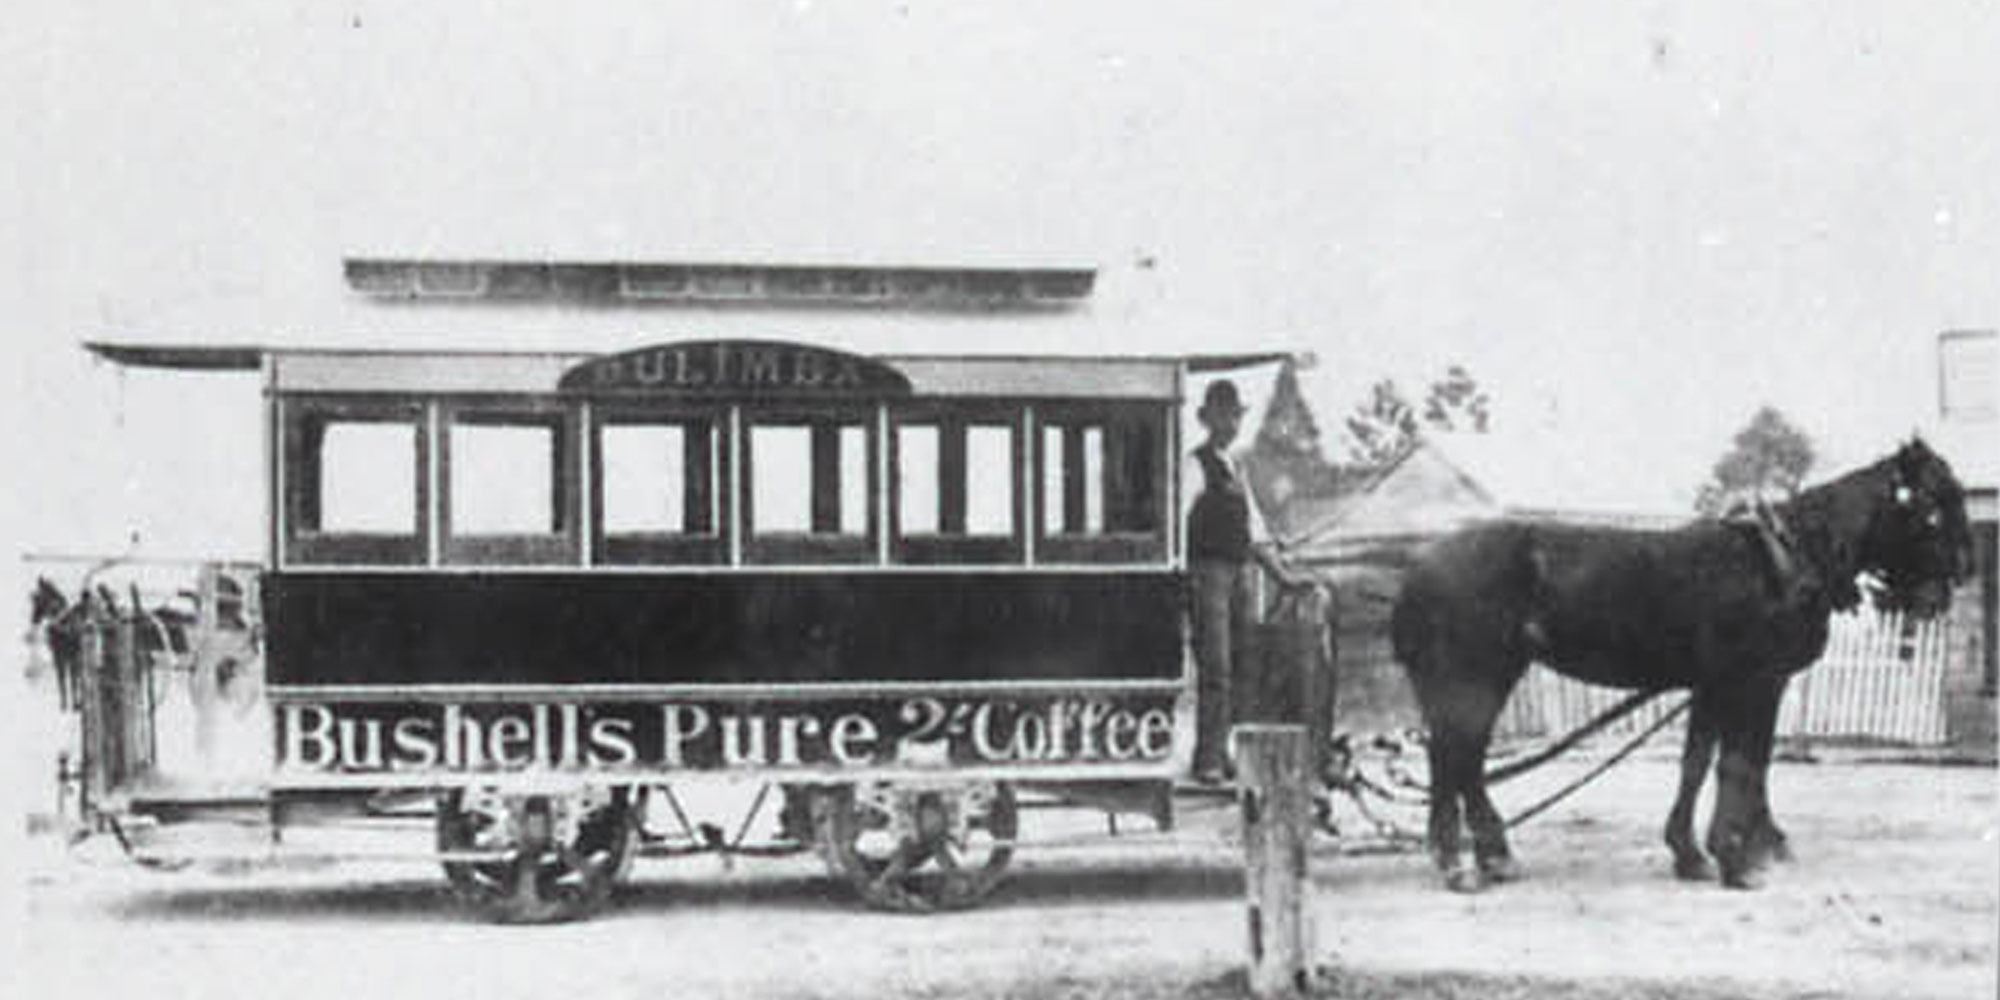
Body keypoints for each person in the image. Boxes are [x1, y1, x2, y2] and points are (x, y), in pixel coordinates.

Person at [1186, 379, 1308, 784]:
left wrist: (1284, 576)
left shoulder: (1236, 468)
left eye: (1237, 414)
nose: (1234, 421)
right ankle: (1207, 759)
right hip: (1207, 575)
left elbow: (1254, 534)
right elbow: (1176, 524)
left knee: (1242, 664)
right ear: (1209, 418)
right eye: (1227, 413)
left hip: (1239, 574)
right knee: (1216, 666)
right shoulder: (1195, 465)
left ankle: (1226, 753)